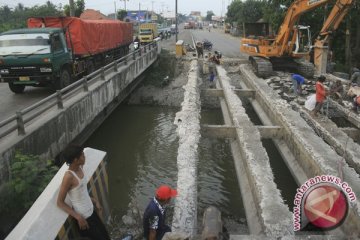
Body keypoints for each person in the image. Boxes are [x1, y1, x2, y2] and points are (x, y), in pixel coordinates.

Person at [57, 145, 110, 240]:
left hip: (92, 212)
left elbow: (81, 192)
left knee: (106, 236)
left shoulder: (80, 167)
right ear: (75, 160)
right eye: (82, 155)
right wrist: (78, 217)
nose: (84, 156)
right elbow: (60, 202)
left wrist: (95, 201)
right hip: (85, 219)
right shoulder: (69, 177)